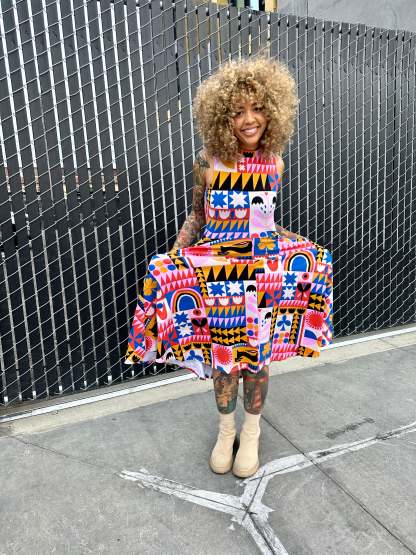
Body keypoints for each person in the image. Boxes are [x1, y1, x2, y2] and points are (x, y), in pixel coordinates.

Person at [124, 54, 334, 478]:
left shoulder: (274, 163)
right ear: (222, 117)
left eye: (257, 108)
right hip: (219, 275)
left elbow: (264, 222)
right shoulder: (207, 162)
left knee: (256, 358)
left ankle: (251, 434)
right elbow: (197, 217)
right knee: (225, 358)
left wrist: (301, 244)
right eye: (237, 112)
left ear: (272, 111)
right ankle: (226, 433)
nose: (249, 120)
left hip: (263, 275)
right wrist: (174, 255)